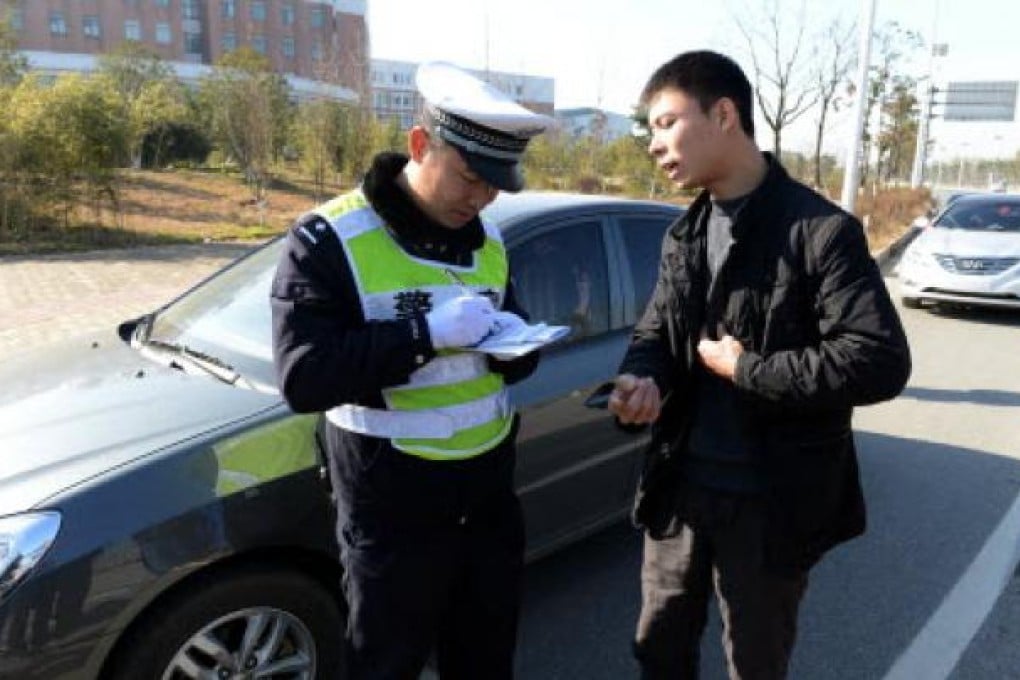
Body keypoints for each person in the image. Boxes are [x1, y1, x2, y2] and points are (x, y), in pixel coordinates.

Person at [607, 50, 911, 679]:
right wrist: (642, 376)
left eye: (665, 123)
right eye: (649, 130)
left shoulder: (821, 232)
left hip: (770, 504)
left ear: (724, 114)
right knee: (658, 650)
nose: (654, 144)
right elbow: (657, 331)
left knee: (755, 665)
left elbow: (879, 360)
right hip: (681, 489)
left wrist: (750, 371)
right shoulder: (683, 235)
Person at [270, 62, 552, 679]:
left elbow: (513, 354)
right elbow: (304, 376)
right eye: (470, 178)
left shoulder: (488, 242)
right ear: (420, 146)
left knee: (485, 661)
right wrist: (422, 335)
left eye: (495, 186)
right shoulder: (328, 239)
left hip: (487, 502)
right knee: (384, 664)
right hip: (390, 508)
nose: (481, 198)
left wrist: (516, 344)